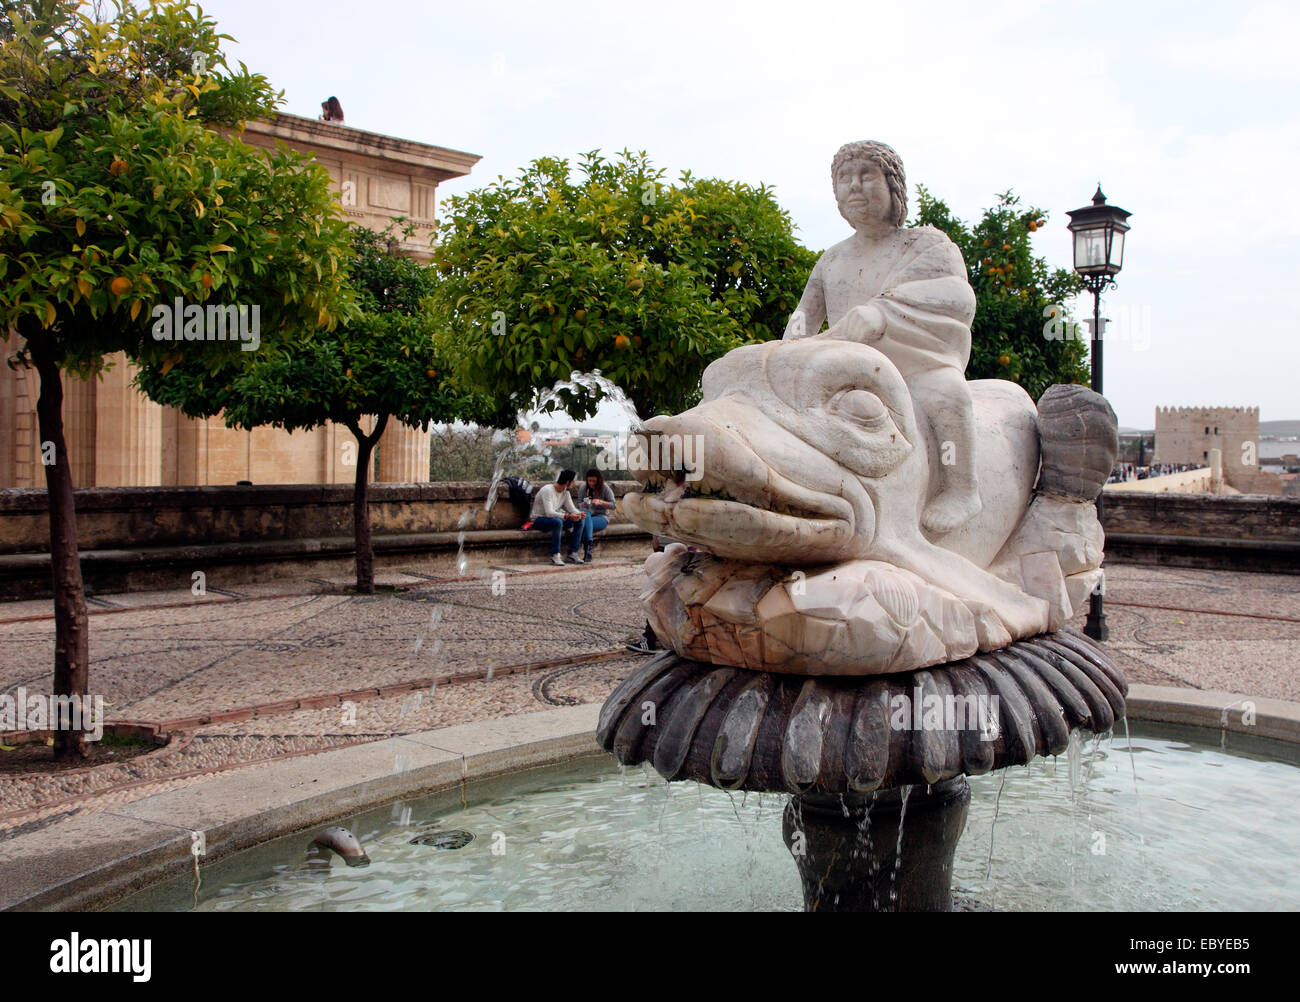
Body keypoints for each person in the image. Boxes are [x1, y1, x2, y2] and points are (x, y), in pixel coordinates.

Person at [784, 140, 980, 534]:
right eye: (844, 178)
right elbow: (805, 316)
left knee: (947, 394)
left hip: (912, 364)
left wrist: (881, 314)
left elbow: (956, 297)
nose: (854, 186)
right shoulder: (833, 259)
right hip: (844, 368)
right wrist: (788, 346)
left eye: (866, 176)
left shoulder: (927, 244)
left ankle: (962, 488)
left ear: (894, 187)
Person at [529, 469, 587, 566]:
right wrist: (567, 516)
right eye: (572, 481)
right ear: (567, 482)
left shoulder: (565, 493)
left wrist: (579, 514)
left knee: (580, 521)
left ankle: (573, 553)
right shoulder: (547, 490)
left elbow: (571, 508)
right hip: (539, 520)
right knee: (557, 522)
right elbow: (549, 513)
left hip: (554, 519)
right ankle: (555, 554)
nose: (574, 484)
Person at [573, 468, 615, 563]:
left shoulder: (605, 488)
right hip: (587, 515)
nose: (591, 483)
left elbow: (613, 505)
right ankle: (589, 545)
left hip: (601, 517)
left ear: (599, 480)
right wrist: (582, 504)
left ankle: (586, 546)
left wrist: (600, 502)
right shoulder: (583, 488)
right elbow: (578, 503)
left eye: (594, 481)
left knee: (585, 523)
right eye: (589, 481)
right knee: (586, 515)